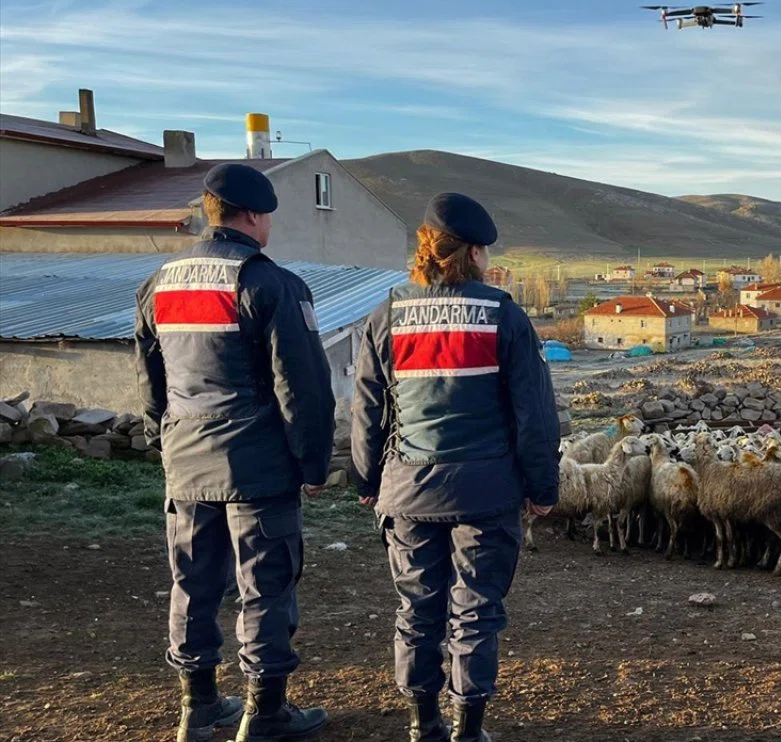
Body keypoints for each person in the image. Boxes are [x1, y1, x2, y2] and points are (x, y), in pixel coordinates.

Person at [134, 163, 336, 742]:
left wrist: (165, 444)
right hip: (257, 466)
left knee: (193, 583)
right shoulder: (270, 283)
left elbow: (151, 381)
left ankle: (197, 706)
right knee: (265, 586)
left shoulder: (159, 282)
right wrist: (313, 463)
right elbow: (303, 388)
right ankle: (264, 711)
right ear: (251, 215)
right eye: (268, 214)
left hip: (187, 461)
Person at [351, 192, 560, 742]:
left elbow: (368, 406)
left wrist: (367, 478)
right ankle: (469, 730)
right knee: (474, 611)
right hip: (485, 495)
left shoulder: (386, 316)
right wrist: (542, 488)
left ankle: (424, 725)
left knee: (417, 610)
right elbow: (534, 414)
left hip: (409, 489)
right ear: (472, 252)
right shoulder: (503, 315)